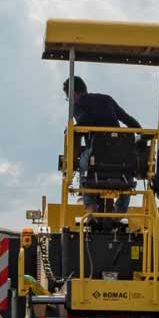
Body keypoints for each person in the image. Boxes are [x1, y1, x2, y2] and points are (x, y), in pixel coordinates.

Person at [63, 76, 141, 218]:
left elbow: (84, 121)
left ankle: (91, 206)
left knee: (83, 164)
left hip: (96, 157)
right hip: (120, 156)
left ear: (74, 94)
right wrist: (141, 135)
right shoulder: (107, 99)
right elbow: (128, 120)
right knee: (128, 174)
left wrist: (72, 130)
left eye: (69, 98)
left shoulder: (77, 106)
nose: (70, 101)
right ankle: (120, 211)